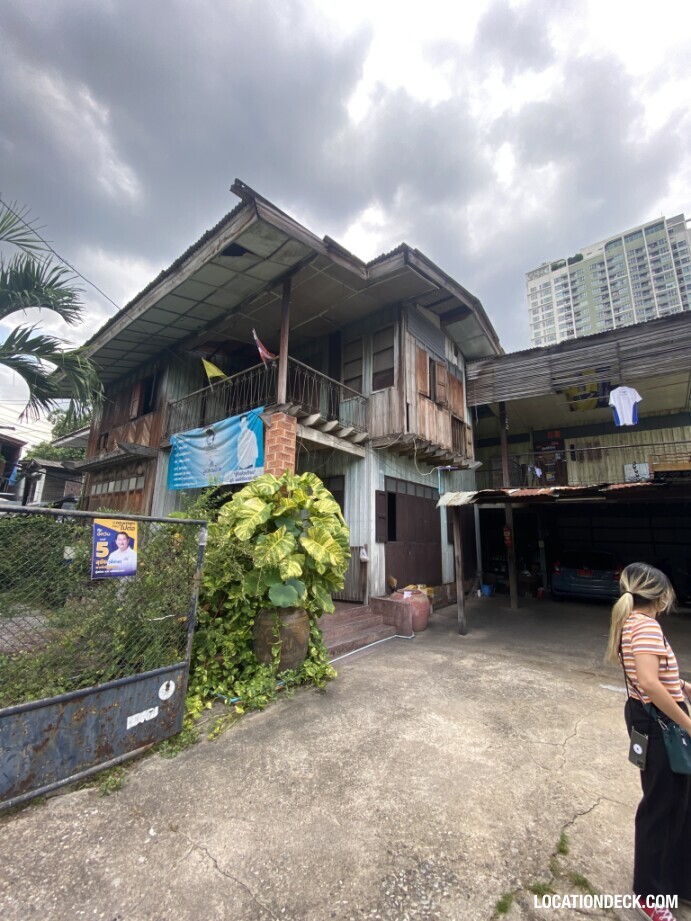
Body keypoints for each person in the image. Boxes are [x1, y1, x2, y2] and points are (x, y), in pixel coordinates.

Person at [606, 563, 691, 921]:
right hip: (661, 724)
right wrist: (688, 722)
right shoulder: (646, 626)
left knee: (679, 802)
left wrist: (683, 686)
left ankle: (676, 882)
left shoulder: (634, 624)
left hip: (651, 717)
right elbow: (649, 683)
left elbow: (657, 676)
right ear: (661, 596)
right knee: (662, 805)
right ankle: (649, 893)